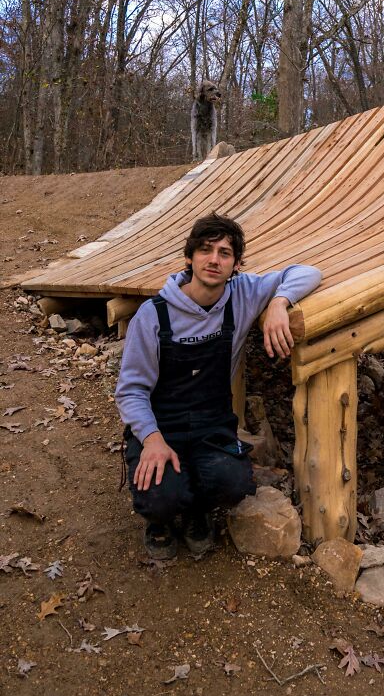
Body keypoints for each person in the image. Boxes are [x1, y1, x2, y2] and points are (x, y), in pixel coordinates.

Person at [115, 211, 322, 559]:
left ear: (235, 264)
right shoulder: (153, 315)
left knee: (234, 483)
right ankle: (160, 520)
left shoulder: (242, 295)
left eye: (224, 253)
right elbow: (131, 390)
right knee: (159, 496)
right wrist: (150, 439)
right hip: (161, 424)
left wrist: (278, 302)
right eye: (206, 250)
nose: (214, 259)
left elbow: (308, 272)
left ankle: (198, 511)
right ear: (189, 257)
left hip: (211, 424)